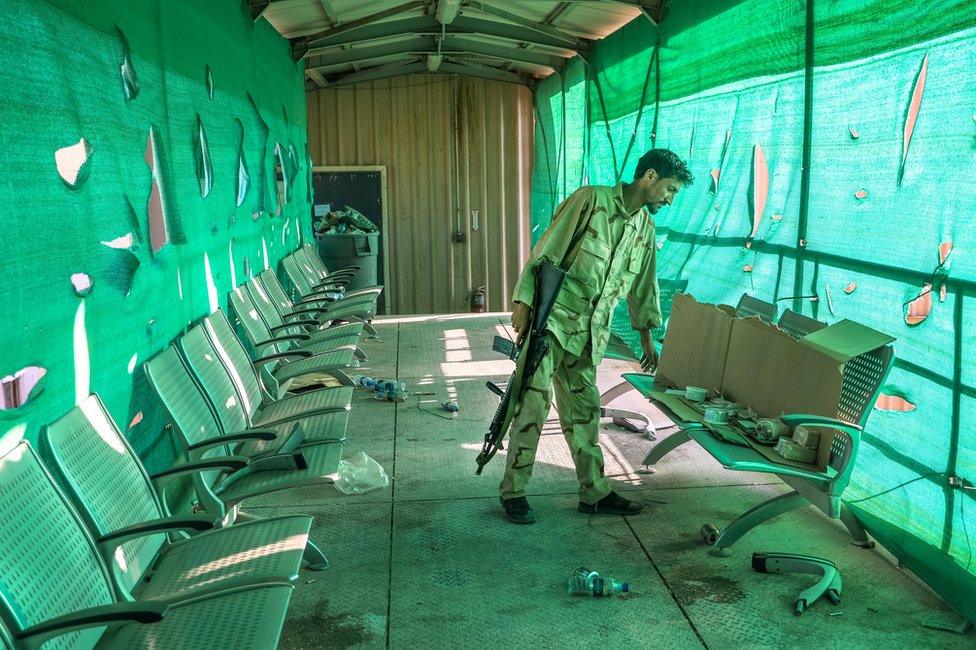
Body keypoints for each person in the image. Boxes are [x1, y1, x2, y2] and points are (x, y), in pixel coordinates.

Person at [499, 148, 693, 524]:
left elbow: (644, 286)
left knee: (585, 412)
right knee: (532, 406)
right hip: (552, 323)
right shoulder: (591, 201)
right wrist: (523, 303)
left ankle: (594, 492)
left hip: (590, 335)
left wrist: (647, 338)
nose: (669, 200)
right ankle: (514, 491)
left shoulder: (644, 229)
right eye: (669, 190)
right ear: (649, 177)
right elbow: (547, 250)